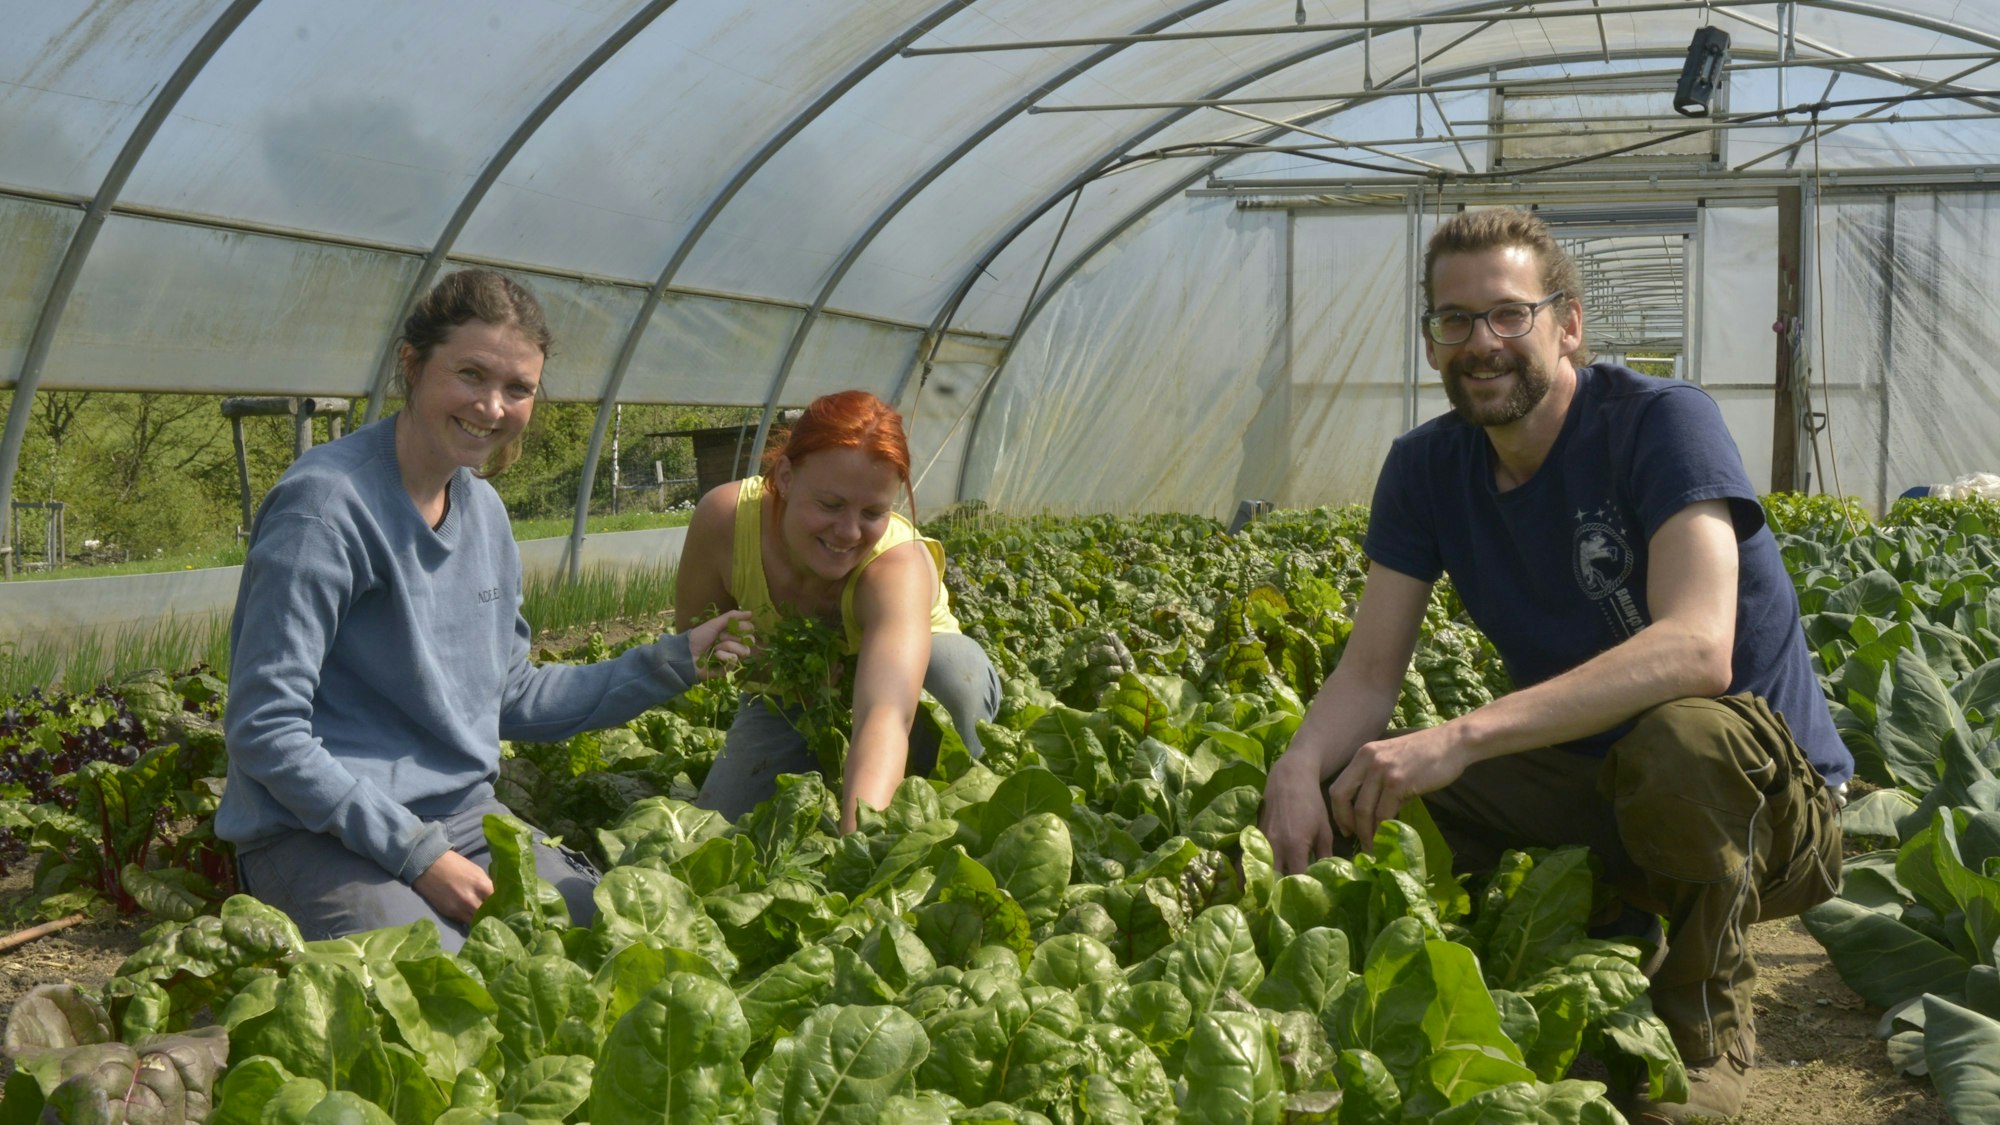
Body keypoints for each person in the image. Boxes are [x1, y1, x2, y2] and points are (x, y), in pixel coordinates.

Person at [1258, 209, 1850, 1124]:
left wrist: (1460, 734)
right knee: (1373, 786)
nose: (1481, 344)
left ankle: (1703, 1032)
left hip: (1771, 810)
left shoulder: (1660, 423)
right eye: (1453, 321)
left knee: (1679, 740)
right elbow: (1370, 675)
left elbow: (1699, 646)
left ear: (1567, 323)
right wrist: (1299, 768)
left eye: (1508, 314)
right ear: (1431, 343)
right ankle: (1589, 944)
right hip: (1600, 780)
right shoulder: (1424, 468)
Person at [219, 269, 750, 950]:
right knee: (438, 985)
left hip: (465, 818)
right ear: (412, 364)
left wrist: (674, 661)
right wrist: (416, 855)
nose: (492, 407)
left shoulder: (485, 512)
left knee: (604, 940)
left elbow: (512, 695)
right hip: (314, 831)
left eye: (517, 388)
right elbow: (266, 728)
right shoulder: (326, 507)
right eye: (471, 375)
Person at [674, 390, 1001, 832]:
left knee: (953, 671)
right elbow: (694, 639)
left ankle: (937, 788)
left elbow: (885, 713)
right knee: (726, 827)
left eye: (873, 512)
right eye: (829, 505)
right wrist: (776, 665)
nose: (848, 532)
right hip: (790, 692)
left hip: (909, 686)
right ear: (786, 477)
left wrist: (859, 848)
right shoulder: (725, 520)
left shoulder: (896, 565)